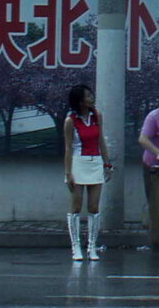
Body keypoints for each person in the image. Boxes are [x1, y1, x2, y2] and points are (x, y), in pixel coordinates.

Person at [63, 84, 113, 261]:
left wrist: (107, 164)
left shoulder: (97, 116)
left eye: (91, 95)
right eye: (88, 96)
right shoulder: (70, 121)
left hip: (95, 162)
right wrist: (68, 173)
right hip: (78, 162)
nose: (92, 98)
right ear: (79, 101)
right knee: (76, 207)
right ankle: (76, 246)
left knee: (93, 207)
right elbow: (68, 147)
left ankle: (92, 246)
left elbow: (101, 141)